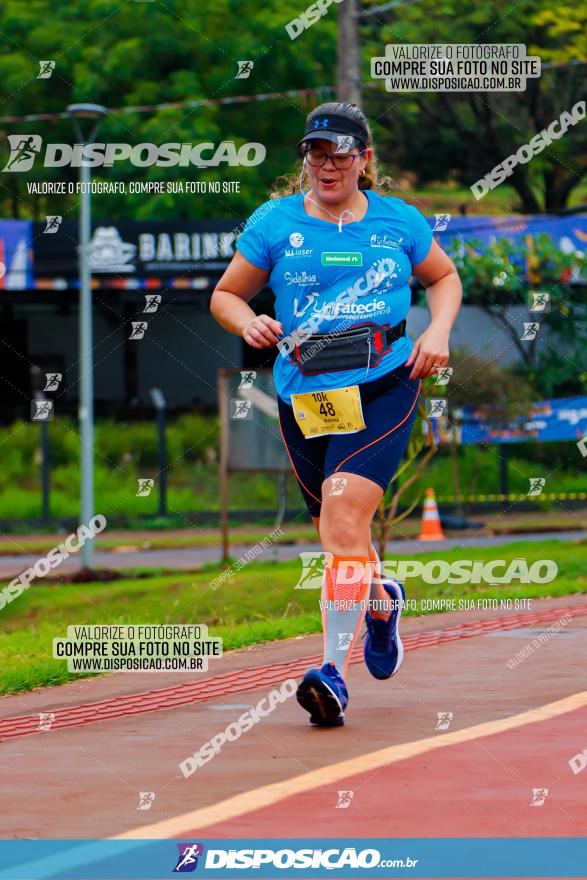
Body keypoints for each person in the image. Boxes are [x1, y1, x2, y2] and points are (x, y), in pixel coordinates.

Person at [210, 102, 462, 727]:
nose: (328, 165)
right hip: (307, 393)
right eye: (317, 154)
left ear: (364, 160)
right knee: (338, 533)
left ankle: (331, 673)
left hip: (386, 382)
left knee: (345, 508)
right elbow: (225, 295)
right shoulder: (275, 221)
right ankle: (381, 603)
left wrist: (439, 333)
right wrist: (252, 321)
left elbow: (445, 276)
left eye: (341, 154)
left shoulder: (398, 221)